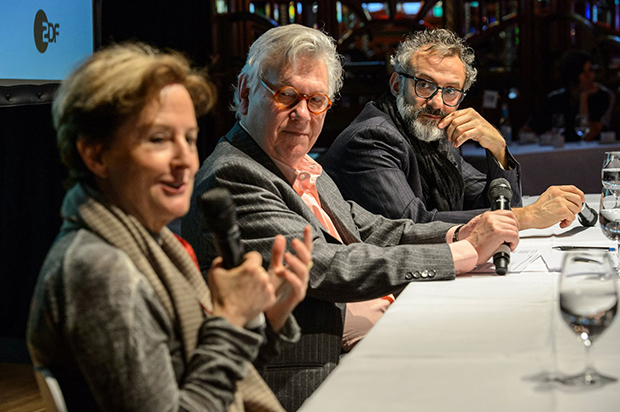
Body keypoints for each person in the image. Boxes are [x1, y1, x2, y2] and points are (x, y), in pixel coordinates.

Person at [181, 24, 519, 410]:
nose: (302, 114)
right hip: (315, 376)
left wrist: (459, 234)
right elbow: (324, 266)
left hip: (376, 341)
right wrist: (461, 254)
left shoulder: (297, 163)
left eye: (317, 101)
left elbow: (371, 228)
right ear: (244, 93)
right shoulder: (234, 174)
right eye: (287, 95)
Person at [26, 42, 313, 412]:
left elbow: (217, 384)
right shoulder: (100, 270)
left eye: (190, 139)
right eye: (159, 139)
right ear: (96, 154)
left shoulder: (155, 243)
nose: (185, 160)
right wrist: (229, 321)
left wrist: (265, 316)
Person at [323, 28, 585, 227]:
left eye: (450, 91)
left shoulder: (434, 134)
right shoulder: (372, 137)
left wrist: (498, 148)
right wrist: (527, 217)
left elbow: (498, 203)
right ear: (395, 85)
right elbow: (412, 225)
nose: (437, 103)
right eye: (424, 85)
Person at [522, 49, 614, 142]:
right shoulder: (555, 99)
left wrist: (584, 98)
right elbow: (525, 132)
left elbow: (588, 135)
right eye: (582, 72)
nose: (589, 76)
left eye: (590, 70)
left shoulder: (602, 96)